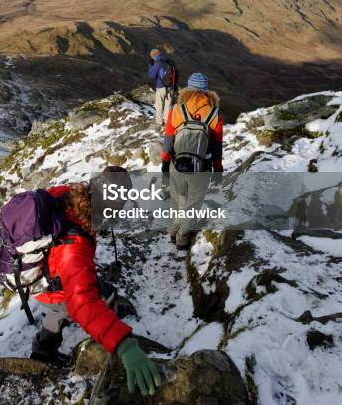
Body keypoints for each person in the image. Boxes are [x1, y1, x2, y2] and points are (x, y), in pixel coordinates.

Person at [30, 174, 161, 397]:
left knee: (74, 296)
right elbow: (83, 304)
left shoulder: (69, 195)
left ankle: (44, 350)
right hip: (47, 283)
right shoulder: (74, 245)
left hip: (46, 269)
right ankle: (44, 352)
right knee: (74, 303)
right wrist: (124, 345)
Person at [161, 73, 223, 250]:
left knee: (178, 199)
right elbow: (217, 147)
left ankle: (173, 232)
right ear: (207, 92)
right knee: (193, 205)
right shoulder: (214, 114)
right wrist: (218, 169)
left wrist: (165, 163)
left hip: (177, 163)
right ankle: (182, 239)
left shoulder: (176, 110)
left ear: (187, 90)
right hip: (201, 167)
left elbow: (168, 140)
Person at [147, 49, 178, 128]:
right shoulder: (170, 61)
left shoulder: (158, 63)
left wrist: (150, 64)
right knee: (168, 105)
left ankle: (159, 122)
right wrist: (174, 87)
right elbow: (176, 74)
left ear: (154, 56)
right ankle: (167, 122)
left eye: (151, 57)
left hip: (161, 86)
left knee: (159, 104)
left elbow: (151, 75)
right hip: (171, 87)